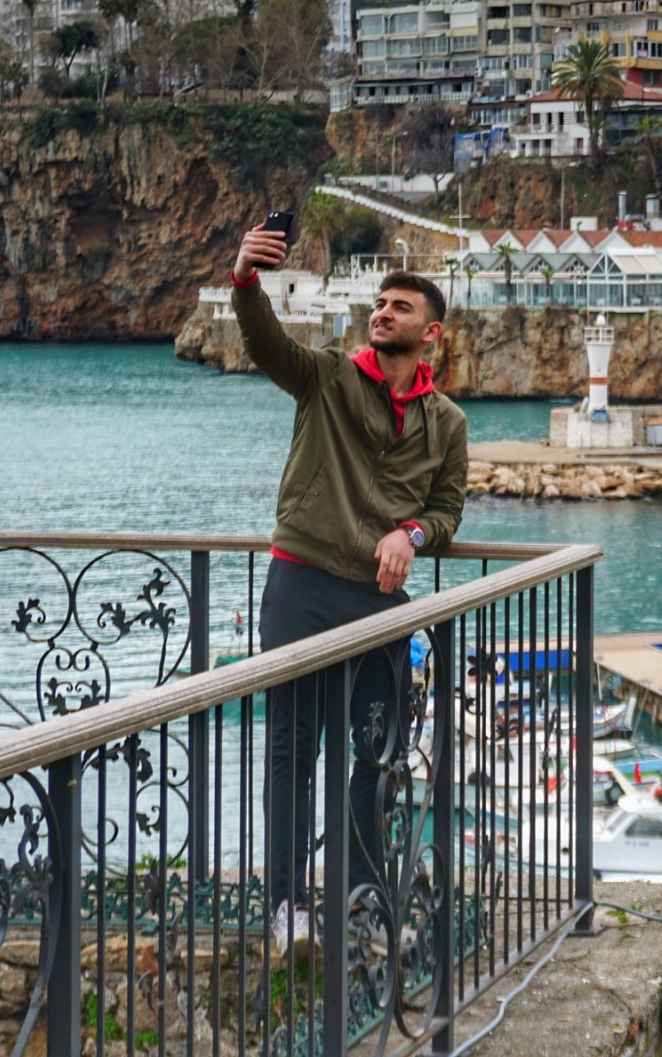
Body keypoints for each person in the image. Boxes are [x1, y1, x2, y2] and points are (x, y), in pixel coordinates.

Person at [229, 224, 469, 961]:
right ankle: (287, 908)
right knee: (292, 752)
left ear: (431, 332)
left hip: (376, 603)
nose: (382, 312)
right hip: (300, 584)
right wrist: (244, 279)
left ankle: (364, 907)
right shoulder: (329, 375)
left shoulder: (447, 423)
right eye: (380, 303)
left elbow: (448, 511)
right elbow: (267, 346)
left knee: (377, 755)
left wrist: (412, 536)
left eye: (399, 306)